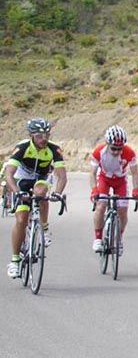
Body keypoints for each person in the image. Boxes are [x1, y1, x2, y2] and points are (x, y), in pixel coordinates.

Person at [5, 118, 67, 279]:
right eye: (39, 135)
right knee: (21, 219)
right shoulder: (22, 147)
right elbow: (9, 174)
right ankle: (15, 260)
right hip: (22, 178)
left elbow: (61, 176)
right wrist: (17, 192)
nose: (44, 139)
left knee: (41, 193)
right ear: (31, 135)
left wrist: (58, 193)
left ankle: (44, 228)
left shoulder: (54, 150)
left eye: (46, 134)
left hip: (41, 177)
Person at [89, 125, 138, 254]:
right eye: (113, 148)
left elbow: (135, 173)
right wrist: (94, 189)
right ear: (107, 143)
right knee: (101, 205)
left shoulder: (129, 152)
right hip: (104, 179)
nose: (117, 151)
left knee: (123, 210)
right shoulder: (98, 152)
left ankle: (119, 240)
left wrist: (136, 190)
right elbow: (92, 173)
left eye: (120, 148)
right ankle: (98, 239)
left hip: (120, 180)